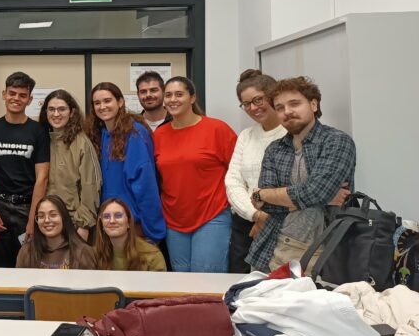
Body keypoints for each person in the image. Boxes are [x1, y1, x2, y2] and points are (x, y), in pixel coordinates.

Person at [247, 76, 354, 274]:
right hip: (270, 248)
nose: (287, 112)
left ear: (313, 104)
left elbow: (313, 193)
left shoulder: (337, 141)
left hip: (319, 251)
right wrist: (319, 196)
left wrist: (262, 194)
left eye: (294, 103)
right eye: (279, 107)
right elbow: (268, 206)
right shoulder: (275, 149)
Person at [153, 77, 237, 273]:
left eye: (179, 94)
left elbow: (238, 171)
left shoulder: (216, 128)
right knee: (181, 283)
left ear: (192, 98)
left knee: (206, 280)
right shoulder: (160, 134)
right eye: (168, 95)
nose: (173, 99)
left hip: (212, 214)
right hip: (174, 219)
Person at [0, 71, 50, 268]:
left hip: (26, 207)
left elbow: (42, 177)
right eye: (12, 93)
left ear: (29, 99)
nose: (16, 98)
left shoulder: (39, 131)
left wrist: (32, 219)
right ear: (4, 94)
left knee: (26, 266)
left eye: (22, 95)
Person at [224, 70, 287, 273]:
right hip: (246, 222)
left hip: (283, 223)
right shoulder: (246, 136)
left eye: (258, 100)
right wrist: (254, 215)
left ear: (273, 96)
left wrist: (265, 216)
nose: (253, 108)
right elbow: (233, 181)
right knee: (240, 283)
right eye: (246, 104)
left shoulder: (290, 133)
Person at [88, 82, 166, 244]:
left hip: (133, 225)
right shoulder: (98, 135)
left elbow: (145, 184)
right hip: (108, 224)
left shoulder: (134, 133)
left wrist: (153, 231)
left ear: (120, 102)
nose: (102, 106)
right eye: (97, 103)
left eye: (107, 101)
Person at [38, 89, 102, 241]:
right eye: (51, 109)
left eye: (62, 109)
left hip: (73, 223)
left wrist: (84, 225)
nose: (56, 114)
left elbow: (91, 186)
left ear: (72, 112)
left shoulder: (81, 143)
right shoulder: (41, 140)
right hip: (45, 222)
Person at [16, 195, 95, 269]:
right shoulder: (27, 251)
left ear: (63, 217)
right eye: (41, 216)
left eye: (53, 215)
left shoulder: (83, 252)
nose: (46, 220)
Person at [91, 198, 166, 272]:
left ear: (129, 222)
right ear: (101, 225)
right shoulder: (94, 255)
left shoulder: (152, 255)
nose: (112, 221)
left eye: (118, 216)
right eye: (106, 217)